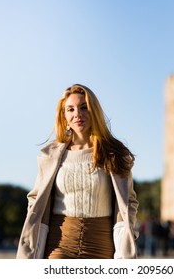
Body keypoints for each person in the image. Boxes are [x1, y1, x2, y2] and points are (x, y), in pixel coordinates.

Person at [16, 84, 139, 259]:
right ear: (64, 116)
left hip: (102, 244)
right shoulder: (51, 156)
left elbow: (129, 201)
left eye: (84, 107)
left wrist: (129, 233)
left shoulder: (114, 154)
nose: (77, 114)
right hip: (59, 244)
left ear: (94, 111)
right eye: (70, 109)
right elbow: (35, 198)